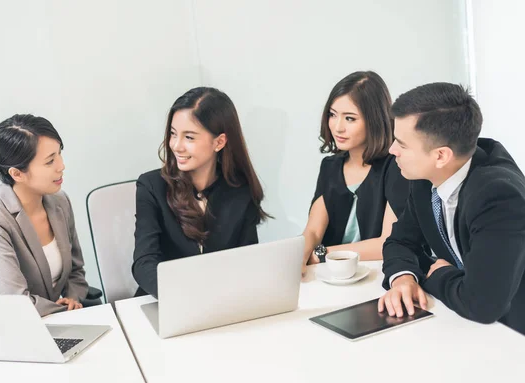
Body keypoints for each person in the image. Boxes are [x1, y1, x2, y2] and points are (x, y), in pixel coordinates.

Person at [378, 82, 525, 335]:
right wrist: (404, 278)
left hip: (511, 334)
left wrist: (437, 275)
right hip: (466, 324)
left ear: (441, 156)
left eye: (402, 144)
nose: (392, 151)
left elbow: (483, 303)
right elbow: (399, 242)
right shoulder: (426, 180)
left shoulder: (498, 196)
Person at [132, 87, 270, 298]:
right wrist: (183, 296)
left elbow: (246, 261)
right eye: (172, 134)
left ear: (219, 142)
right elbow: (144, 262)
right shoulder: (151, 186)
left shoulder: (240, 191)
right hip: (166, 301)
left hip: (221, 302)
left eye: (189, 137)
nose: (176, 146)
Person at [0, 114, 89, 316]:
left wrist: (73, 300)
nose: (61, 166)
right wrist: (62, 310)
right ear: (17, 174)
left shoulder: (60, 201)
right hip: (18, 326)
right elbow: (16, 300)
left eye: (59, 154)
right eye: (50, 161)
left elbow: (76, 272)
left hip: (62, 319)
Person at [302, 71, 409, 267]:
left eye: (350, 118)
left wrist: (323, 254)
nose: (338, 127)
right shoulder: (330, 166)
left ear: (375, 120)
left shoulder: (396, 165)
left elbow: (386, 243)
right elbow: (314, 231)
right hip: (333, 274)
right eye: (333, 115)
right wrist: (299, 253)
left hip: (379, 274)